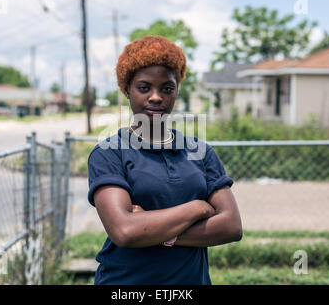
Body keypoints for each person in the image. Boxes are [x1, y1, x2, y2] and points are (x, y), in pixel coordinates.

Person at [87, 35, 242, 285]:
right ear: (127, 89)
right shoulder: (110, 152)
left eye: (167, 88)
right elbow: (125, 231)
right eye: (144, 87)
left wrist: (157, 230)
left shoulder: (198, 151)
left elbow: (231, 226)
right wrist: (198, 209)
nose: (156, 97)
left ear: (176, 91)